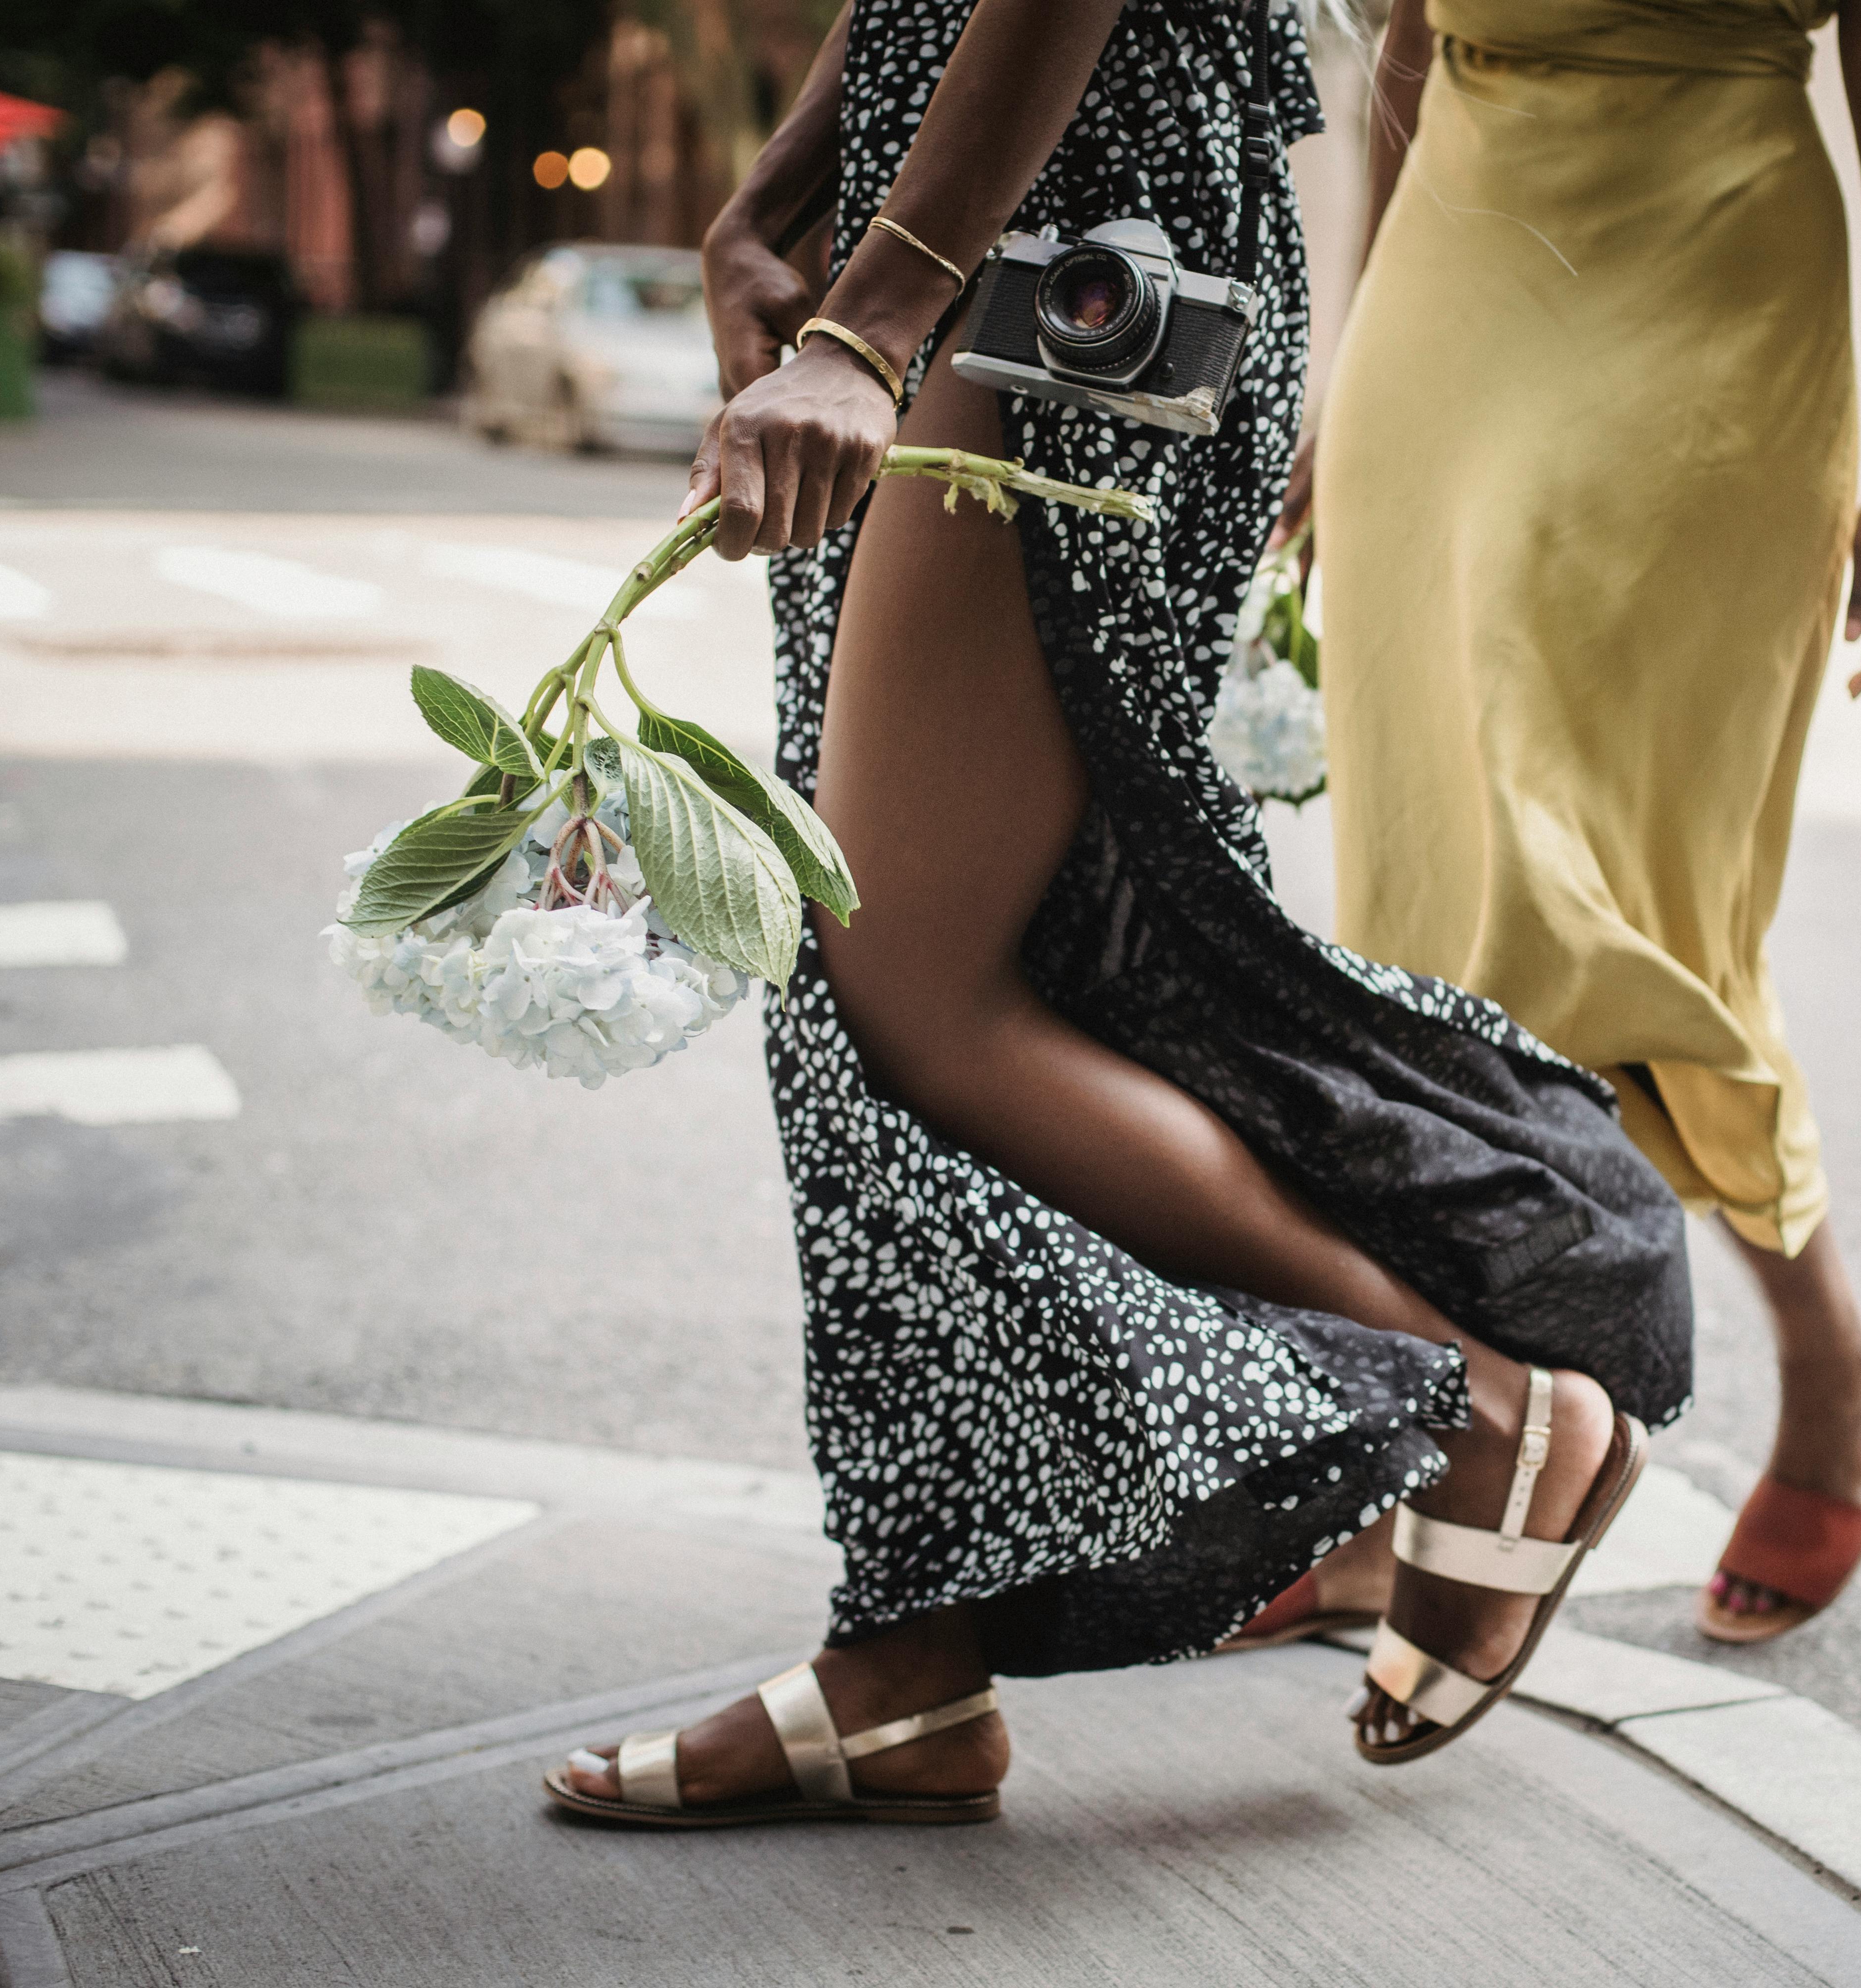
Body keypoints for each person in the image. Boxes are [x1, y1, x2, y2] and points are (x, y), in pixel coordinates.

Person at [545, 0, 1695, 1826]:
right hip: (983, 205)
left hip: (1070, 246)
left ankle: (1491, 1416)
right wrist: (774, 194)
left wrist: (868, 318)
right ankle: (911, 1667)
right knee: (1011, 956)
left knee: (900, 978)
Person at [1296, 0, 1861, 1645]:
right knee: (1423, 917)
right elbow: (1397, 40)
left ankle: (1811, 1364)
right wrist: (1359, 350)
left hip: (1711, 269)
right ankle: (1423, 1463)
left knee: (1593, 908)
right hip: (1454, 289)